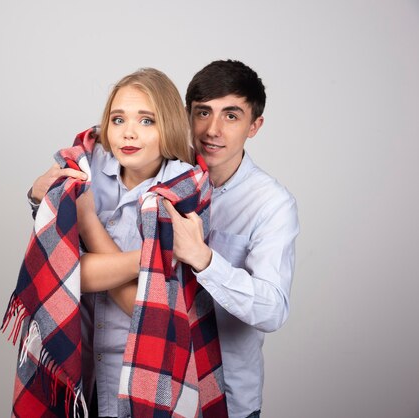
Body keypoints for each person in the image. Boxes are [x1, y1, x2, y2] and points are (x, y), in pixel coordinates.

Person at [29, 60, 299, 418]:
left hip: (224, 392)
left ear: (254, 126)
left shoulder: (269, 203)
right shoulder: (156, 176)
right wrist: (40, 199)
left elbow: (271, 310)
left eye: (231, 116)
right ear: (183, 116)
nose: (213, 130)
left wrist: (203, 260)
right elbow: (67, 270)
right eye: (203, 113)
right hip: (120, 381)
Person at [20, 68, 227, 417]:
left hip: (143, 372)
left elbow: (144, 309)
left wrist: (86, 224)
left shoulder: (185, 194)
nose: (128, 132)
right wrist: (149, 260)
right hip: (76, 364)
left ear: (170, 126)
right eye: (118, 119)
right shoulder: (83, 172)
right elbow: (61, 273)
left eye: (147, 121)